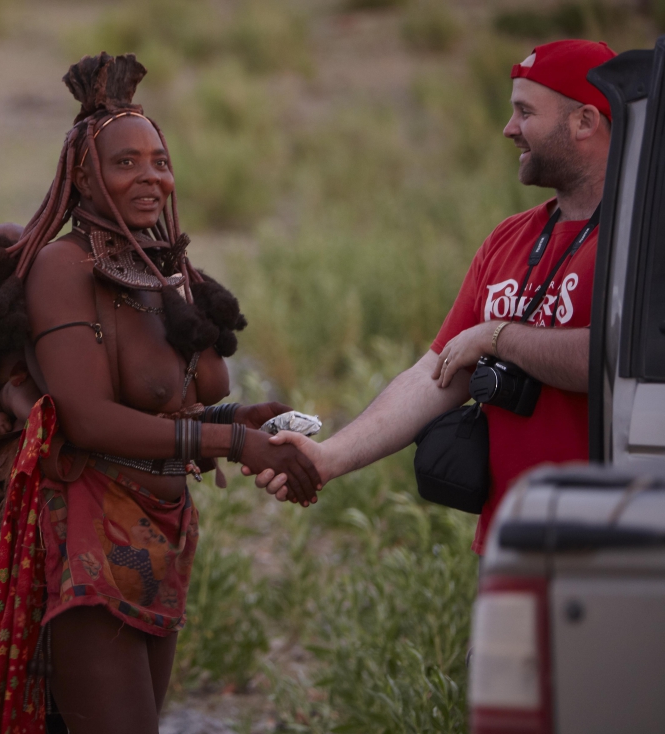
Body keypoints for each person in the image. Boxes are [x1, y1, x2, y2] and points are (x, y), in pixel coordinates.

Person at [0, 53, 321, 734]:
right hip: (85, 529)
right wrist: (233, 442)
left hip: (159, 530)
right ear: (84, 178)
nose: (151, 177)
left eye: (161, 161)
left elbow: (174, 403)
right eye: (126, 163)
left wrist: (244, 418)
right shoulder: (63, 267)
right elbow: (86, 418)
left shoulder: (163, 271)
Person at [256, 39, 616, 554]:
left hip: (614, 548)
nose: (509, 128)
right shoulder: (509, 239)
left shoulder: (638, 247)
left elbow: (605, 359)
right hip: (511, 548)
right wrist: (329, 457)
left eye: (525, 112)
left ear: (584, 120)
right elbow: (435, 374)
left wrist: (496, 338)